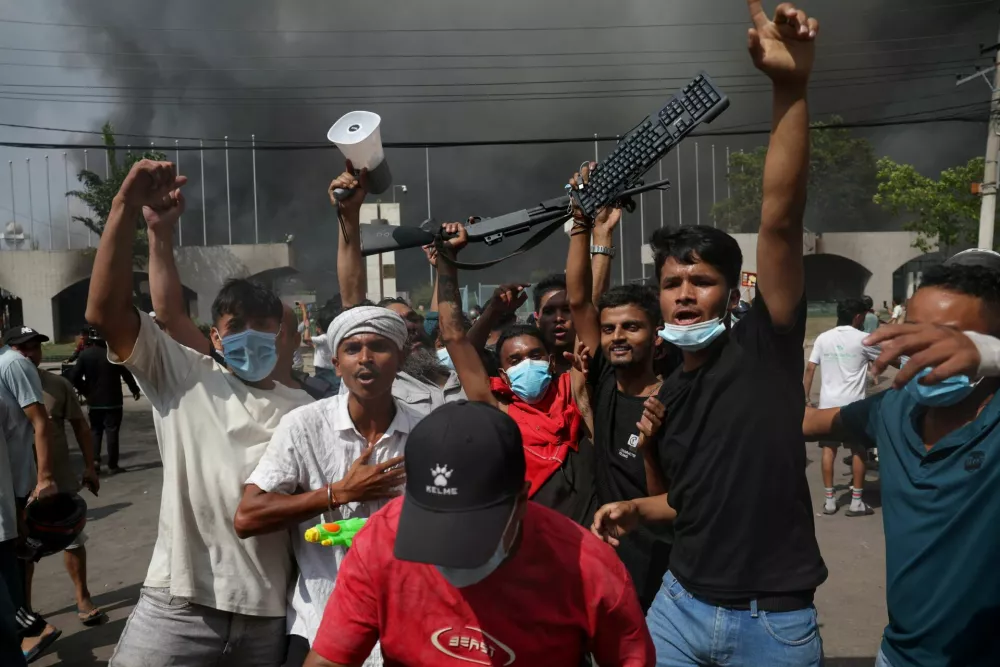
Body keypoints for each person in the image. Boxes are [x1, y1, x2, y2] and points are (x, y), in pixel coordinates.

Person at [591, 3, 826, 664]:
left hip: (771, 623)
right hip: (679, 605)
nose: (685, 292)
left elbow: (779, 218)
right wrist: (638, 508)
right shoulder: (671, 388)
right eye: (672, 283)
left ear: (736, 289)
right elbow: (689, 505)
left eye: (702, 280)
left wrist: (790, 88)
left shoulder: (764, 346)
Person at [87, 159, 313, 667]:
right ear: (215, 337)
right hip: (178, 607)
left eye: (263, 325)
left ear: (281, 333)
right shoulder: (186, 377)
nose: (250, 335)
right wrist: (127, 209)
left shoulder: (307, 412)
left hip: (268, 616)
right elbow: (106, 312)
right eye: (236, 326)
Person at [303, 401, 655, 667]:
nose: (449, 554)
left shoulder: (589, 570)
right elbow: (331, 658)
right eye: (432, 529)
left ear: (520, 500)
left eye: (469, 534)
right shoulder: (379, 541)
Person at [803, 255, 1000, 667]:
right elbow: (811, 423)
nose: (923, 351)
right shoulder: (895, 408)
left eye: (948, 337)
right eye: (913, 332)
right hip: (896, 655)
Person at [235, 306, 415, 667]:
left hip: (404, 623)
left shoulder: (427, 433)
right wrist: (339, 494)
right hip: (320, 619)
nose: (365, 358)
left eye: (379, 346)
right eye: (352, 349)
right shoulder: (304, 426)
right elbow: (247, 517)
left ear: (401, 358)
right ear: (335, 364)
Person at [435, 224, 593, 523]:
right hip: (529, 542)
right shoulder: (497, 408)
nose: (527, 364)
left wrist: (582, 230)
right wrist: (447, 261)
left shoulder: (572, 388)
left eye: (535, 356)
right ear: (503, 375)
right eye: (516, 359)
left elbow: (583, 305)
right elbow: (454, 336)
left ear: (549, 361)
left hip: (586, 539)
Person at [565, 198, 674, 612]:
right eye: (609, 329)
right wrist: (589, 228)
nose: (617, 337)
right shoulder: (605, 379)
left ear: (657, 335)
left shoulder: (673, 399)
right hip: (609, 568)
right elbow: (580, 302)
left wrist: (648, 448)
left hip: (665, 574)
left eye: (632, 327)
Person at [330, 163, 465, 415]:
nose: (410, 327)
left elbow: (445, 322)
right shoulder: (376, 384)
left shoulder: (461, 375)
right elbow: (352, 300)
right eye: (397, 323)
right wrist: (348, 215)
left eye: (413, 319)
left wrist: (447, 263)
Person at [4, 326, 105, 626]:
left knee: (72, 540)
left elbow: (80, 426)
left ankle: (82, 597)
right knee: (22, 550)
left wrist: (90, 466)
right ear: (10, 351)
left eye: (35, 347)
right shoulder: (5, 387)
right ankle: (27, 611)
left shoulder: (58, 386)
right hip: (18, 482)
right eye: (23, 348)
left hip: (56, 480)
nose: (30, 354)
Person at [0, 326, 60, 659]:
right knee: (15, 563)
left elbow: (40, 422)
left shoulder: (11, 364)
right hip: (8, 483)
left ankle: (29, 629)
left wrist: (45, 476)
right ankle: (29, 628)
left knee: (13, 563)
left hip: (14, 484)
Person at [803, 298, 879, 516]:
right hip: (854, 408)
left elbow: (810, 369)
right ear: (857, 317)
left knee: (829, 450)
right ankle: (856, 502)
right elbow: (891, 359)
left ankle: (829, 501)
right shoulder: (864, 339)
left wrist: (806, 398)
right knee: (858, 450)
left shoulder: (823, 338)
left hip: (827, 407)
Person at [67, 329, 140, 475]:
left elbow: (74, 377)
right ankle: (112, 465)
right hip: (113, 400)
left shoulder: (85, 355)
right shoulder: (114, 355)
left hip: (94, 400)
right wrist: (134, 390)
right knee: (112, 431)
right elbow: (126, 374)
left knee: (96, 431)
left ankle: (95, 461)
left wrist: (86, 390)